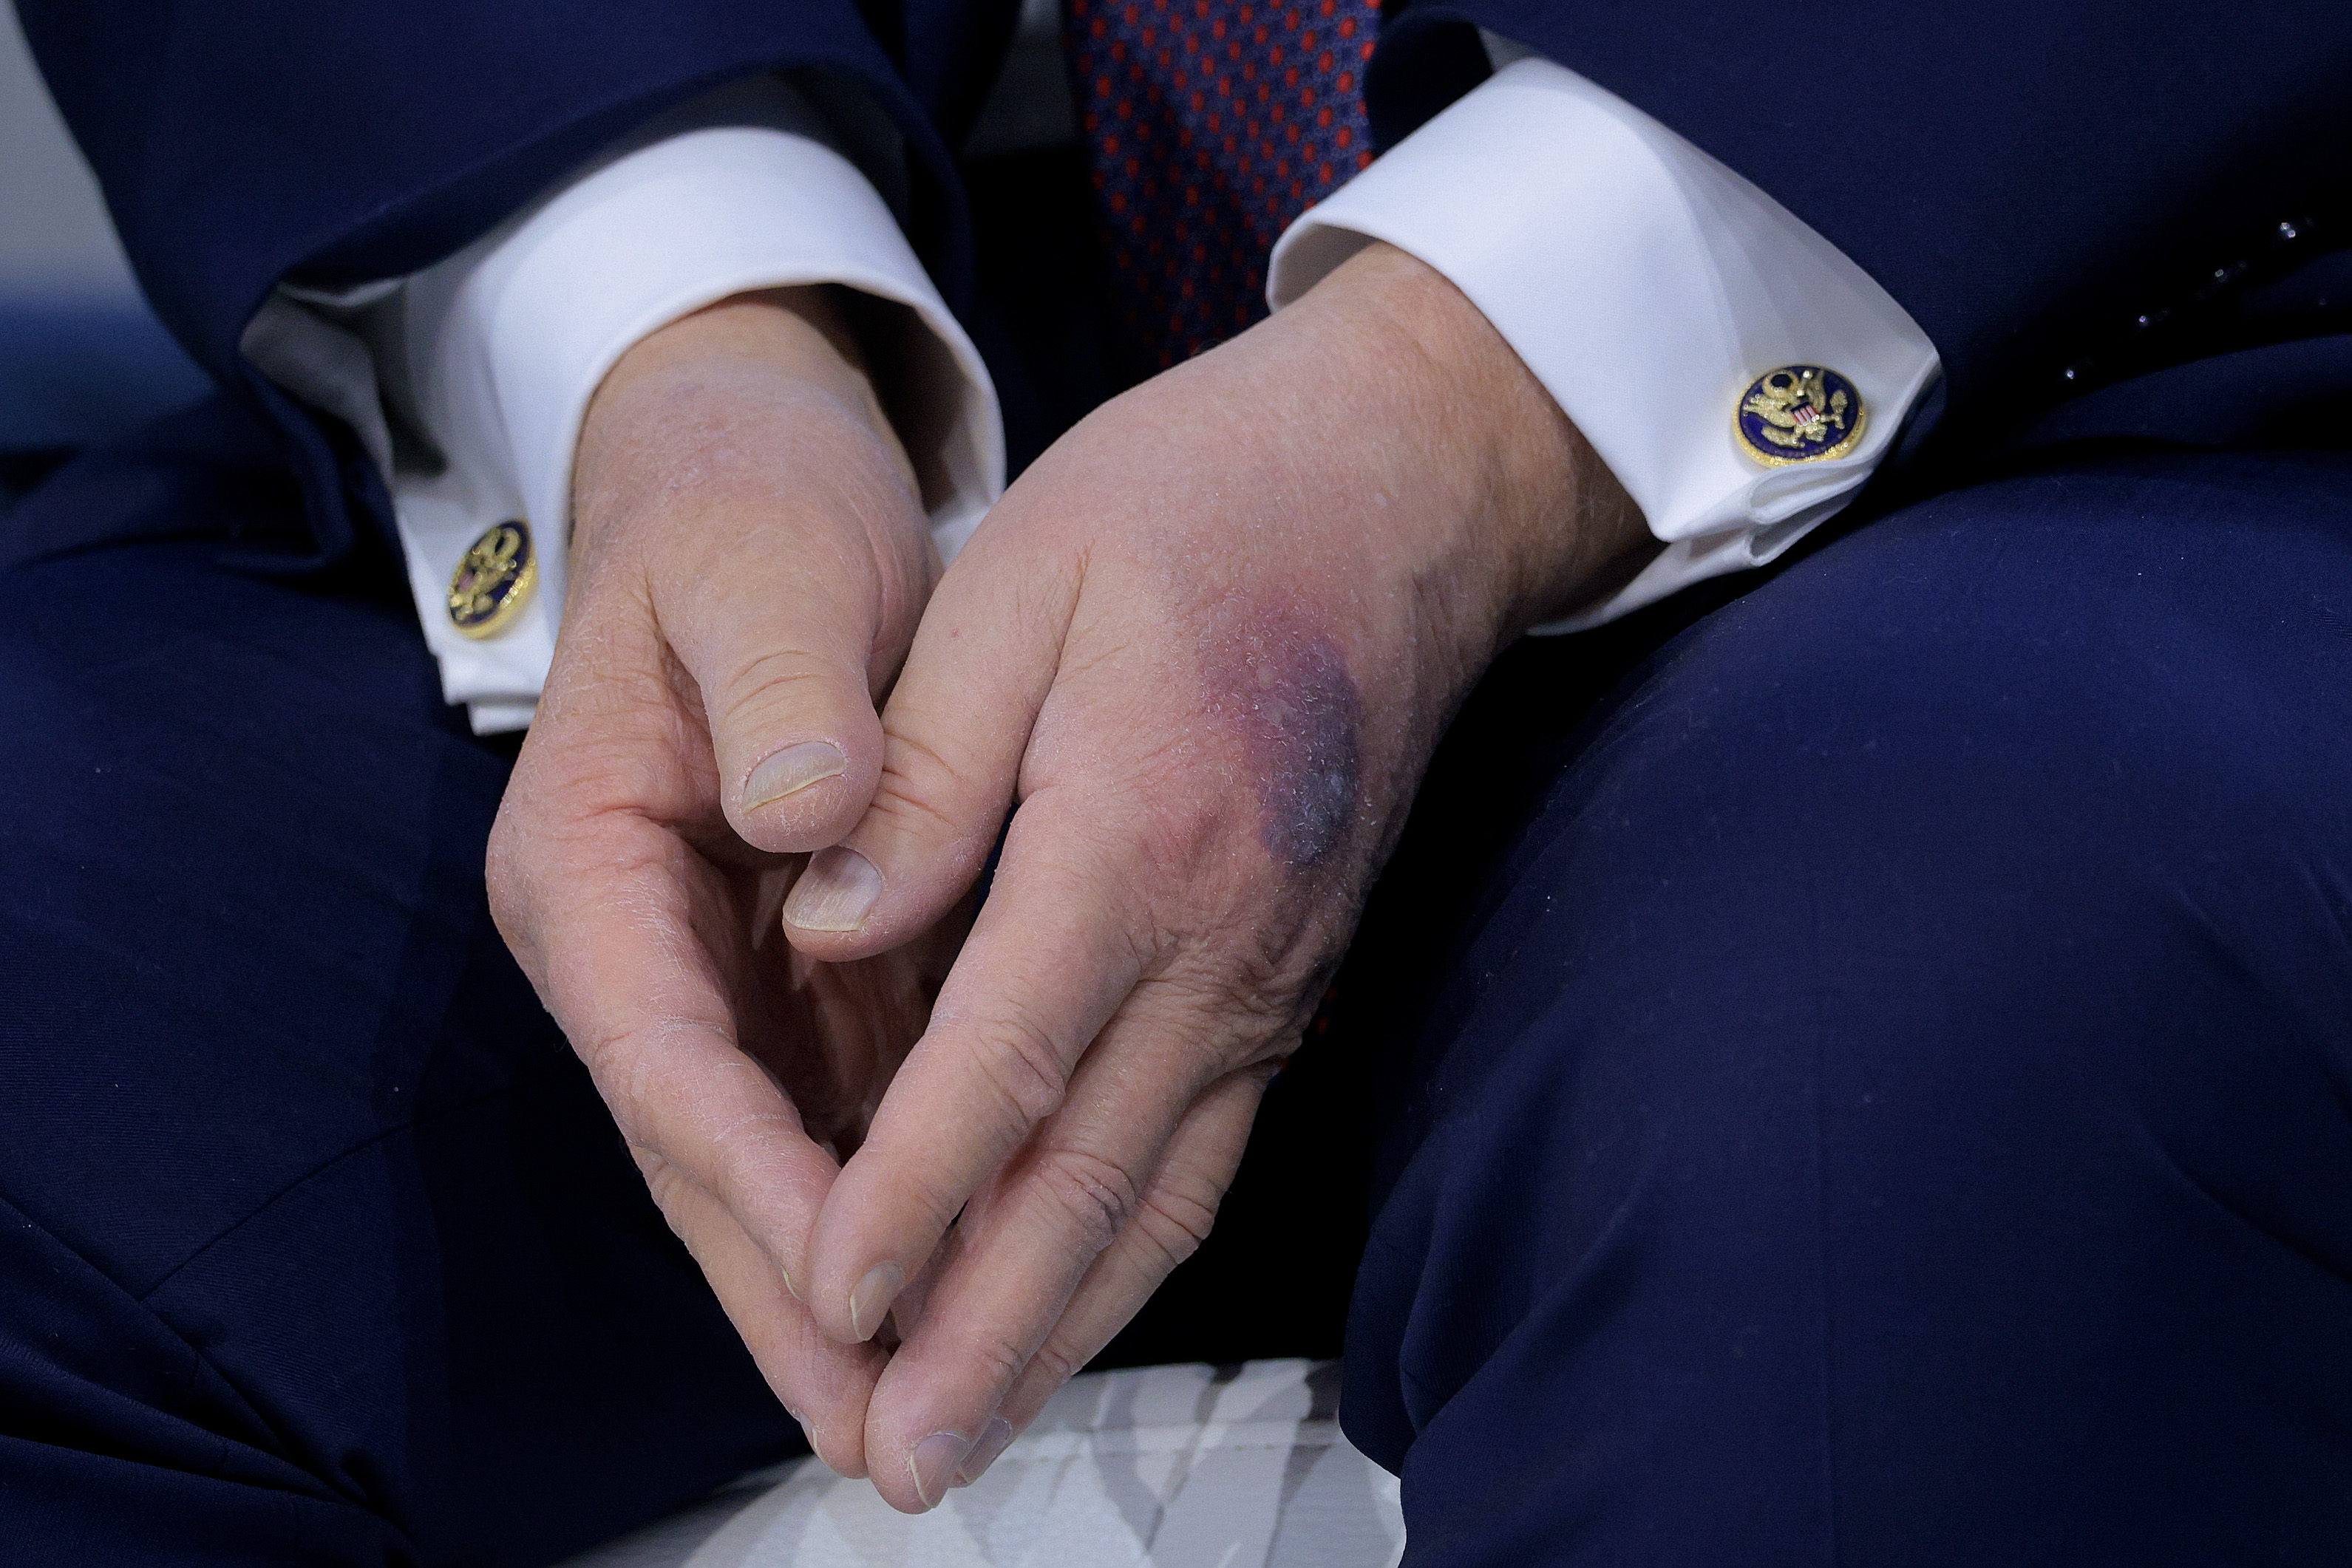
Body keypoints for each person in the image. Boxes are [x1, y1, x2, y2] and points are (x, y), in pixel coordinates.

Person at [4, 0, 2351, 1561]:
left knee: (1900, 1097)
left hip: (2105, 341)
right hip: (944, 281)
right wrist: (690, 344)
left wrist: (1455, 388)